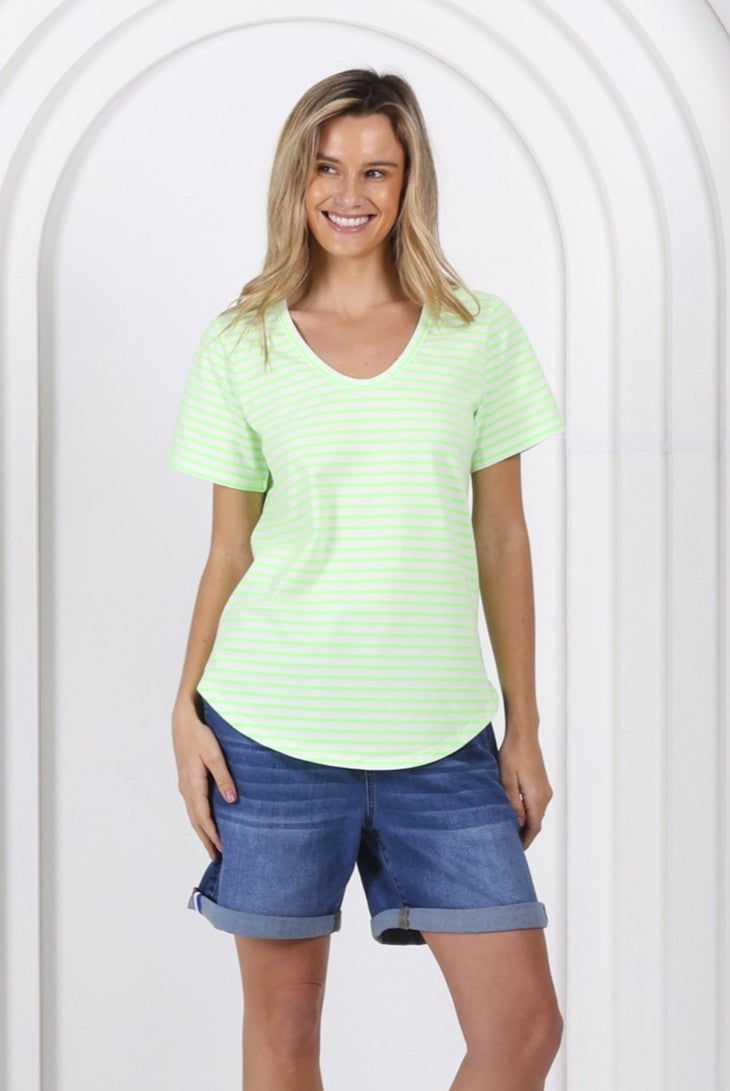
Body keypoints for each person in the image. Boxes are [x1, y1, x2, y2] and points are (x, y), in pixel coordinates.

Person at [168, 68, 565, 1091]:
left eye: (376, 170)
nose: (350, 192)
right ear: (296, 180)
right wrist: (183, 706)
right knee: (284, 1031)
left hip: (442, 741)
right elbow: (228, 550)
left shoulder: (478, 332)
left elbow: (504, 538)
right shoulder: (243, 341)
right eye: (328, 167)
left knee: (522, 1027)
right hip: (268, 734)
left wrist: (523, 726)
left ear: (408, 181)